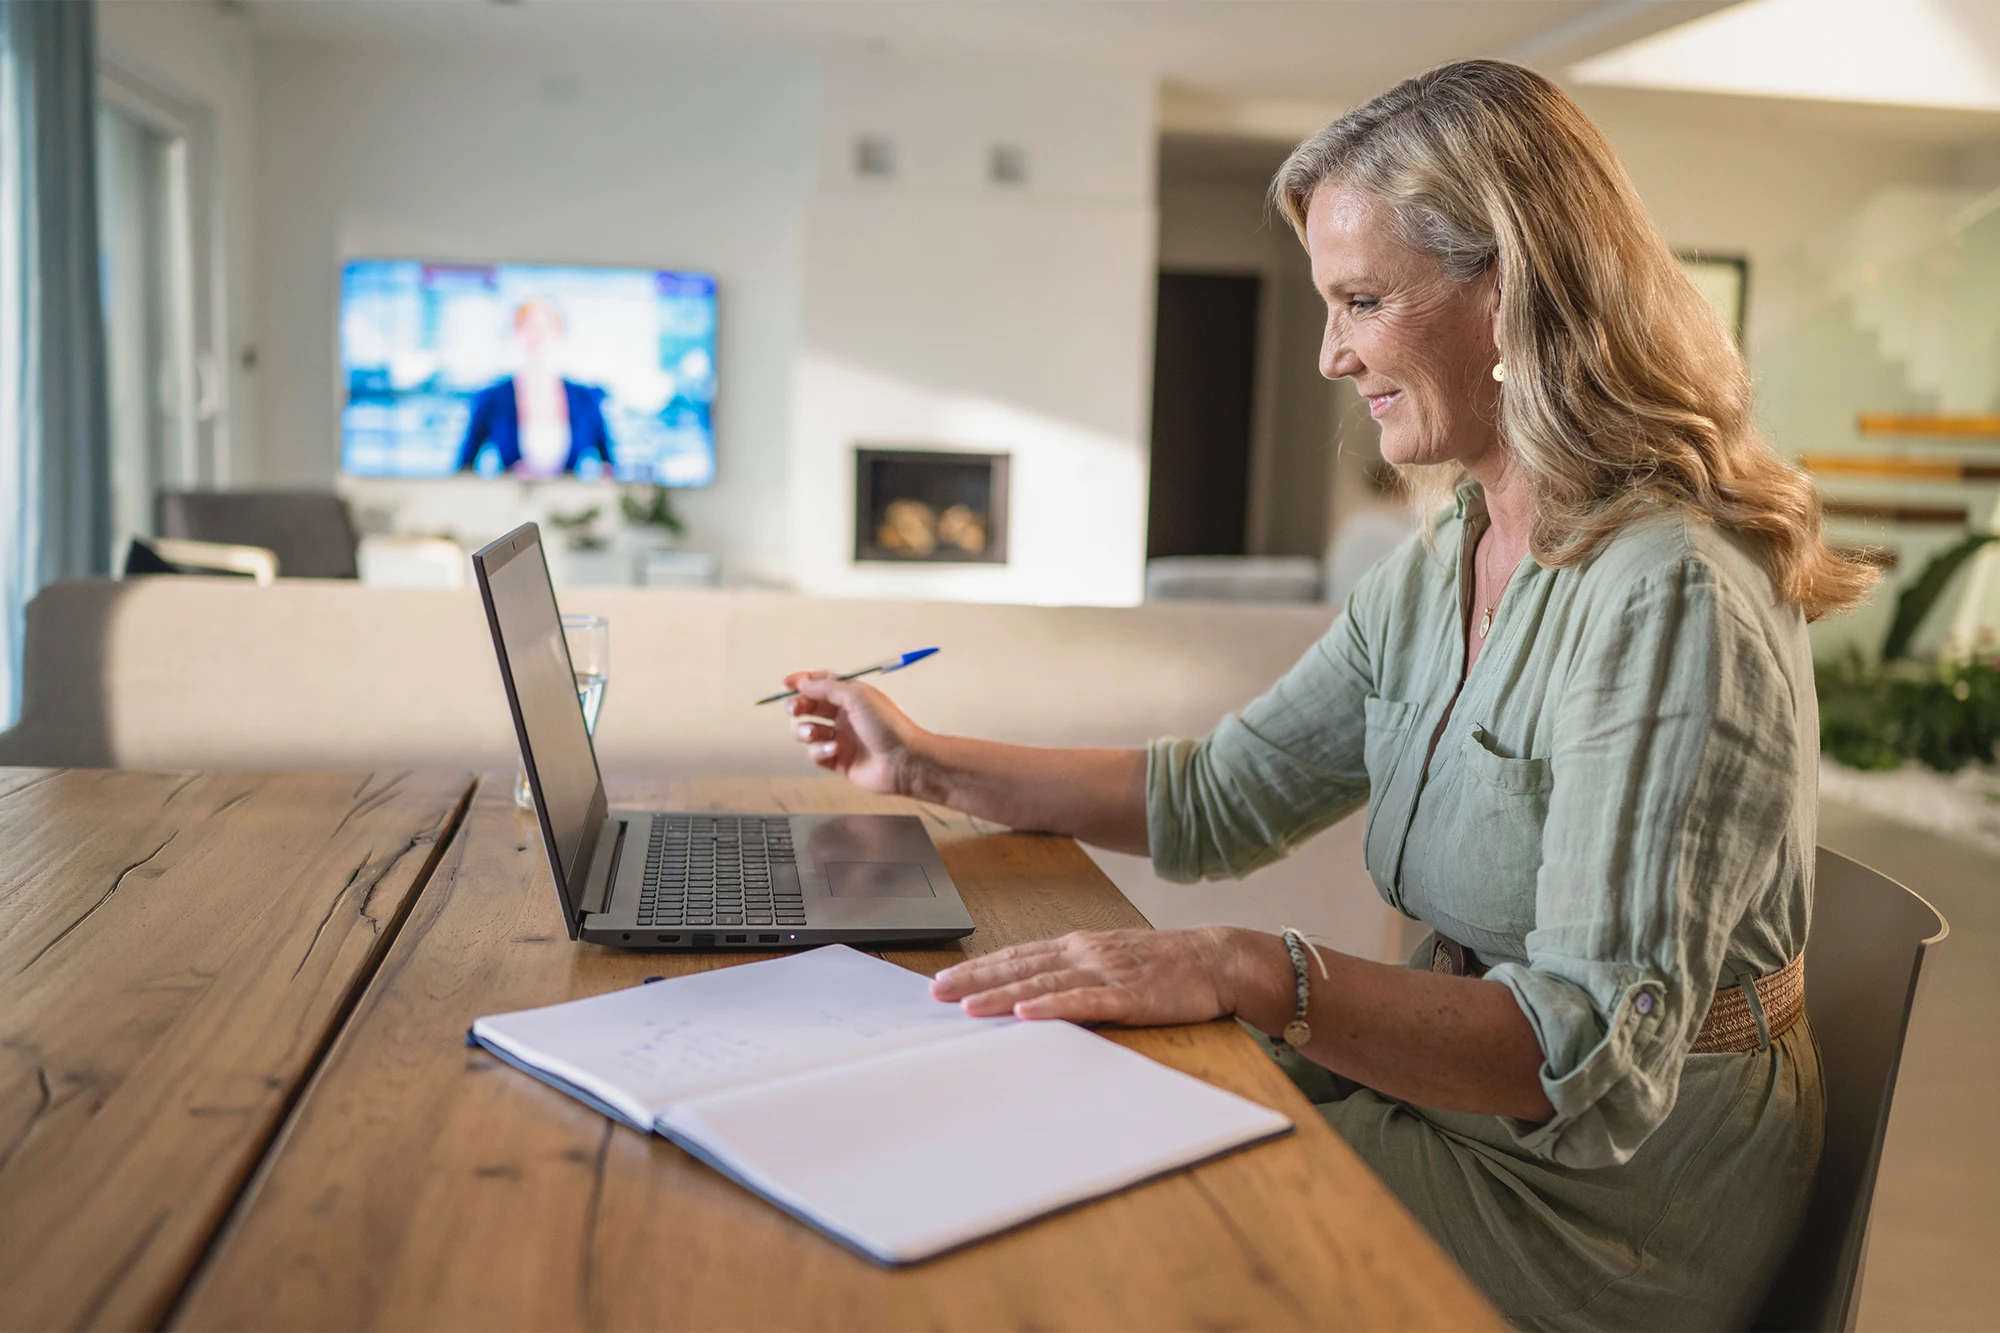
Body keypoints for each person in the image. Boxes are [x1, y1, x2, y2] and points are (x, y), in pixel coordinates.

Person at [780, 59, 1877, 1332]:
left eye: (1360, 300)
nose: (1326, 354)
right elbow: (1219, 796)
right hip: (1454, 1100)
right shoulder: (1447, 555)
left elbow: (1584, 1049)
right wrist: (922, 764)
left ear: (1507, 293)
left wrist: (1252, 966)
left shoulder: (1667, 590)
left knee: (1108, 1210)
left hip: (1604, 1198)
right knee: (1057, 1097)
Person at [455, 298, 614, 478]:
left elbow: (610, 468)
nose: (536, 335)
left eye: (545, 326)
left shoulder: (586, 398)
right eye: (528, 326)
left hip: (572, 504)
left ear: (560, 333)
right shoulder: (493, 397)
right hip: (510, 501)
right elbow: (464, 468)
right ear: (516, 333)